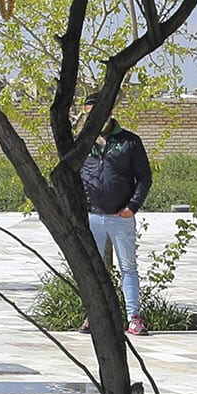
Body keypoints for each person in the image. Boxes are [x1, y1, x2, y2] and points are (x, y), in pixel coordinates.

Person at [81, 114, 156, 337]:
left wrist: (131, 207)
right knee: (92, 269)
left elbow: (144, 178)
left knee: (128, 268)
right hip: (92, 216)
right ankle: (94, 316)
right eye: (88, 113)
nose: (93, 117)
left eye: (98, 111)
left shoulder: (129, 142)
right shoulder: (83, 143)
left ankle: (134, 318)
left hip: (120, 218)